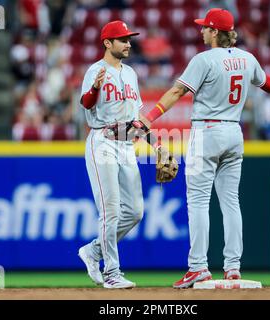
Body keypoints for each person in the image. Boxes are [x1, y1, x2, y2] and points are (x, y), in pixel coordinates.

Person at [141, 9, 270, 289]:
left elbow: (176, 92)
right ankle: (233, 268)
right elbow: (264, 80)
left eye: (205, 28)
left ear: (216, 32)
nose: (201, 32)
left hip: (206, 132)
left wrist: (149, 117)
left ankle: (198, 268)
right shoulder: (247, 58)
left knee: (197, 200)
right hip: (234, 132)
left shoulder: (203, 59)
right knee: (231, 201)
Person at [77, 20, 172, 289]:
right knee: (110, 211)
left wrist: (157, 145)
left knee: (135, 212)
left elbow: (137, 118)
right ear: (107, 43)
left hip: (127, 144)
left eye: (129, 39)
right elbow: (85, 103)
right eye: (123, 39)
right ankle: (112, 272)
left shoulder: (130, 73)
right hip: (103, 141)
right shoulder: (95, 70)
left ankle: (93, 252)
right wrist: (95, 87)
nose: (129, 43)